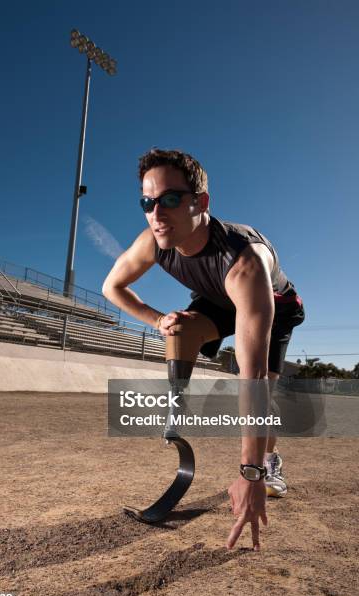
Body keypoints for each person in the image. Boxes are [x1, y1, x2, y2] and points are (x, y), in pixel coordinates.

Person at [102, 148, 304, 550]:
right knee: (177, 327)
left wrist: (250, 475)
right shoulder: (153, 241)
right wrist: (157, 319)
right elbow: (113, 287)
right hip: (216, 299)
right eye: (148, 202)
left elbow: (253, 380)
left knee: (263, 393)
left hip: (273, 308)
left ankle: (269, 462)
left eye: (171, 199)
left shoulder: (244, 261)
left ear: (201, 203)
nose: (157, 213)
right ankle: (178, 416)